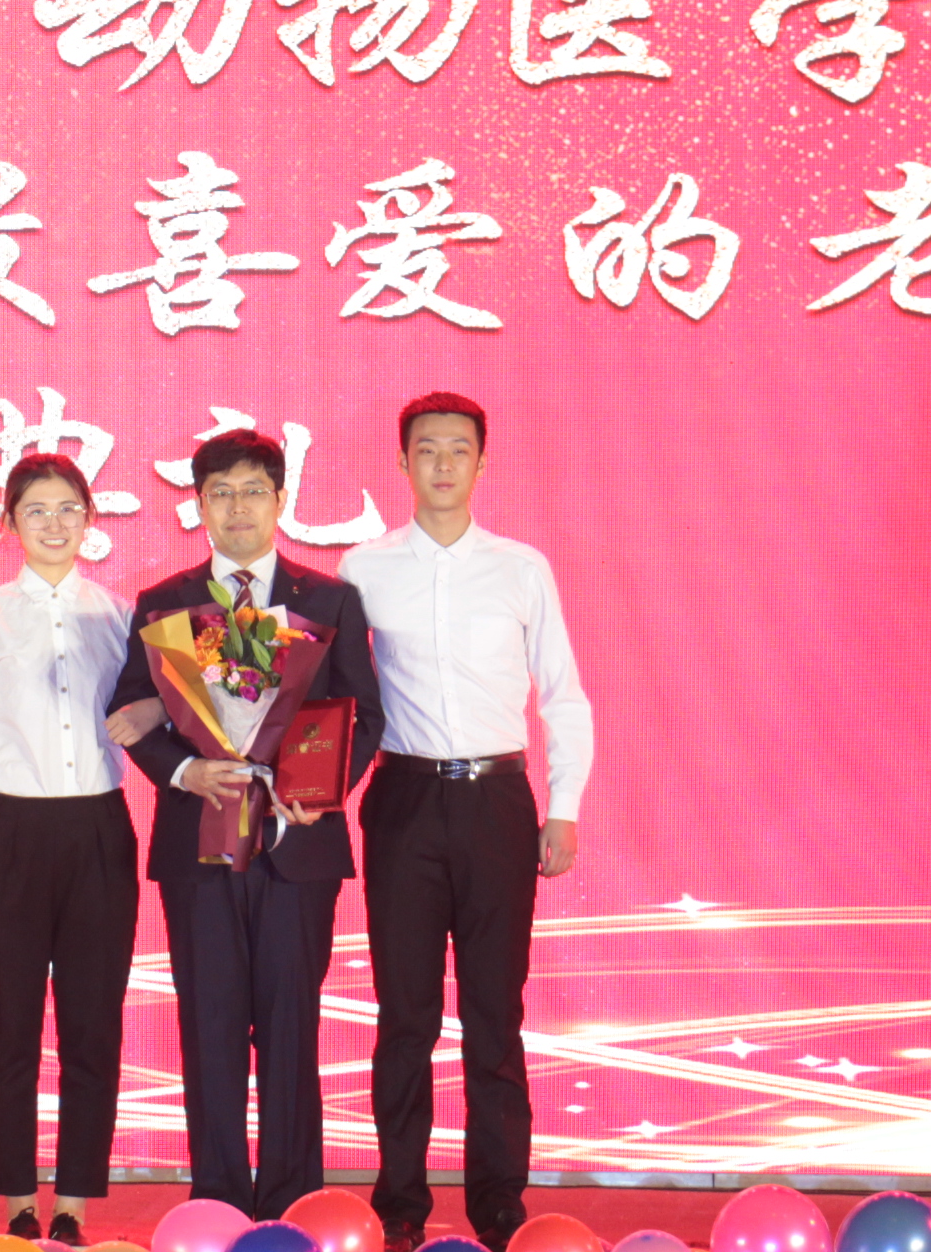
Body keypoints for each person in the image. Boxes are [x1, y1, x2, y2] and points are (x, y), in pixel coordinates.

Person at [336, 391, 593, 1252]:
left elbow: (563, 695)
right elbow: (336, 696)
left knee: (494, 1013)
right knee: (404, 1015)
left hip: (497, 804)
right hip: (403, 802)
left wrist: (563, 808)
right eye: (426, 449)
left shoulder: (522, 569)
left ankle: (498, 1202)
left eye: (458, 449)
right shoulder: (364, 570)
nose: (442, 464)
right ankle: (400, 1204)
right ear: (401, 462)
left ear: (483, 463)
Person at [106, 426, 383, 1221]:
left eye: (253, 491)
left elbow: (365, 714)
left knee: (292, 1026)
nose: (237, 508)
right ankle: (219, 1203)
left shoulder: (328, 599)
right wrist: (184, 771)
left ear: (281, 499)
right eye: (220, 494)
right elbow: (130, 713)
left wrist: (321, 790)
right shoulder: (163, 602)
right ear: (199, 505)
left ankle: (295, 1203)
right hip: (199, 841)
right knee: (211, 1025)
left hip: (298, 846)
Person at [0, 452, 139, 1245]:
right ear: (9, 523)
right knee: (9, 1027)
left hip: (99, 833)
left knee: (94, 1026)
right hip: (5, 836)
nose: (54, 524)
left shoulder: (121, 618)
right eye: (36, 510)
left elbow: (156, 719)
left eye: (68, 509)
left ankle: (75, 1202)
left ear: (90, 519)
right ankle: (18, 1200)